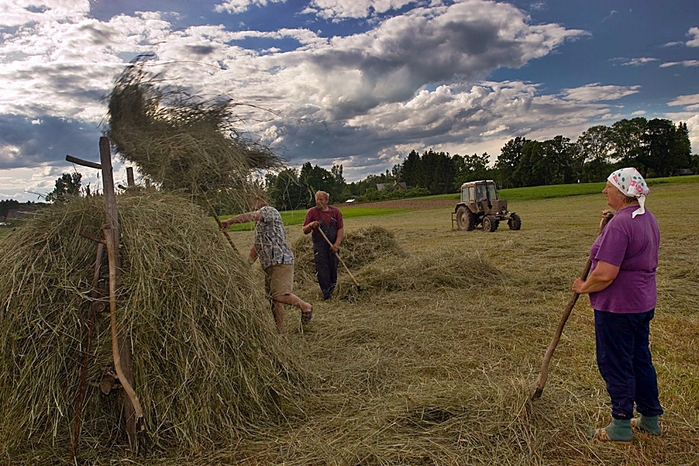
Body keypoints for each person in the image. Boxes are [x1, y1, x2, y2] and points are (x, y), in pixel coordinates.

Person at [572, 167, 663, 443]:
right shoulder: (645, 217)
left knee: (615, 363)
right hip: (642, 303)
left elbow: (605, 273)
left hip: (618, 308)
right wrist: (613, 221)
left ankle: (621, 425)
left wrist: (584, 286)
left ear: (622, 193)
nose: (604, 191)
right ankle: (650, 419)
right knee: (639, 360)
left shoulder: (622, 224)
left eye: (608, 186)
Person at [221, 193, 313, 333]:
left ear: (261, 200)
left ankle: (305, 306)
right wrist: (246, 265)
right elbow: (257, 246)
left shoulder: (270, 211)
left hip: (280, 261)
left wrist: (230, 221)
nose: (253, 203)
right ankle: (279, 331)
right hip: (269, 264)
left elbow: (253, 216)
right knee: (273, 300)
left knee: (279, 295)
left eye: (255, 200)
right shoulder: (260, 225)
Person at [302, 191, 344, 300]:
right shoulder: (312, 212)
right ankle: (326, 294)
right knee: (322, 270)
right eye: (317, 199)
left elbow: (340, 229)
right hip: (320, 246)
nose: (318, 201)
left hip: (333, 246)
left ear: (326, 200)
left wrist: (336, 244)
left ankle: (333, 290)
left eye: (321, 199)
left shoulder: (335, 212)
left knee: (333, 269)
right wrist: (311, 225)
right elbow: (304, 230)